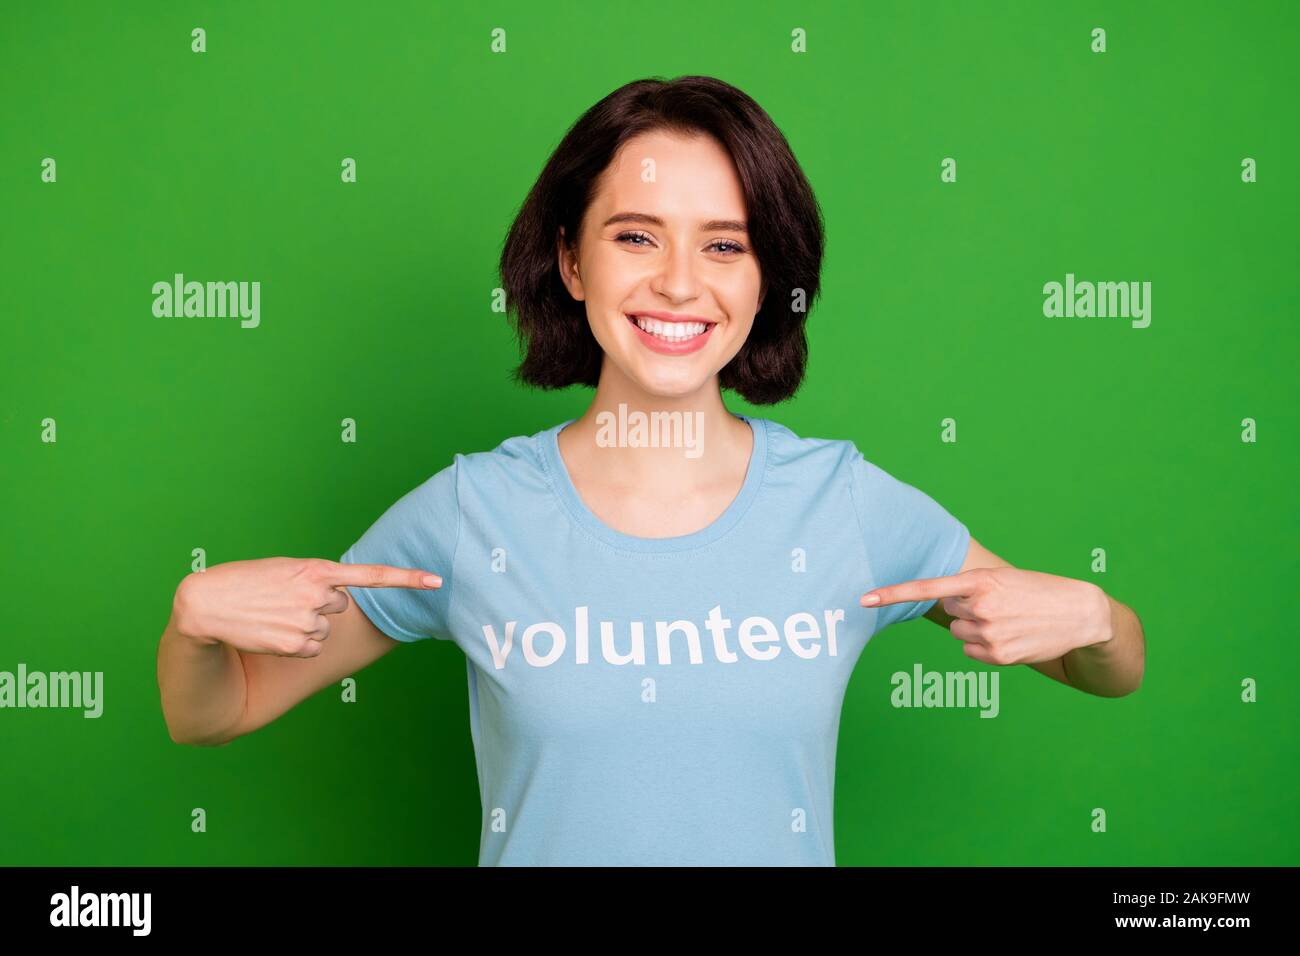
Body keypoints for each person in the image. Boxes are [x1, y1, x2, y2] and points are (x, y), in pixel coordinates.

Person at [156, 75, 1145, 866]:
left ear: (766, 282)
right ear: (572, 263)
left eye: (725, 245)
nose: (678, 282)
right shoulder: (474, 511)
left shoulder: (842, 504)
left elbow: (1108, 669)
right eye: (636, 236)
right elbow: (217, 709)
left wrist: (1097, 619)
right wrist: (195, 616)